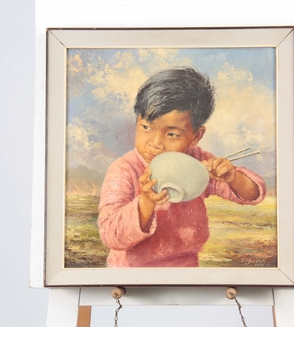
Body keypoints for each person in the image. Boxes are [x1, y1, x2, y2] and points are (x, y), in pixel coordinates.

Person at [97, 67, 266, 267]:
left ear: (196, 136)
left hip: (187, 268)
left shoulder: (198, 162)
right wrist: (146, 202)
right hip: (133, 273)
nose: (156, 143)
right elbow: (110, 235)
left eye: (172, 134)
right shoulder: (124, 169)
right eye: (146, 127)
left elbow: (252, 194)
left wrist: (233, 178)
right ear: (137, 121)